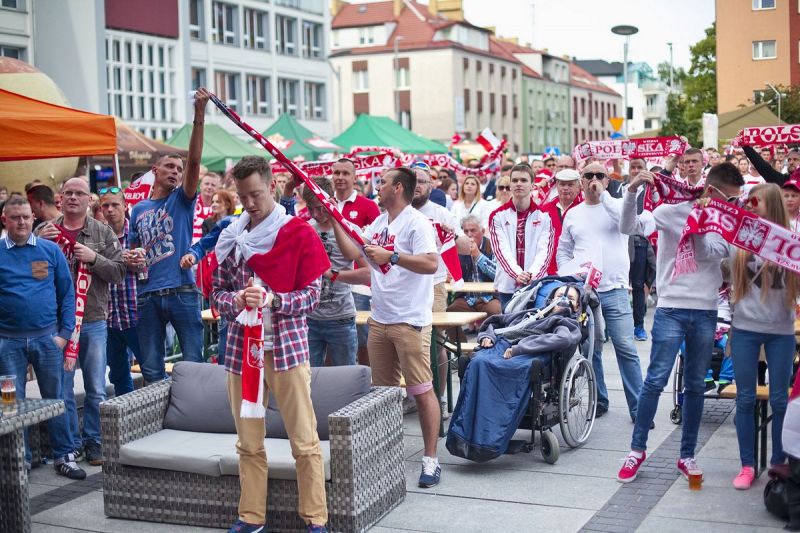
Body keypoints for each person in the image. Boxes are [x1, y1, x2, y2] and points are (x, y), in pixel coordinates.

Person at [211, 156, 330, 533]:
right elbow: (215, 294)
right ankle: (251, 517)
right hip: (241, 353)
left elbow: (313, 296)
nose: (249, 203)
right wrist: (235, 301)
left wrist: (274, 300)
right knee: (248, 443)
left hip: (287, 350)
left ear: (273, 187)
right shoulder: (231, 235)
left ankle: (315, 518)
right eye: (242, 196)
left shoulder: (298, 232)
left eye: (256, 194)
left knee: (305, 440)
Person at [616, 160, 744, 483]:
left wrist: (702, 223)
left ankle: (687, 454)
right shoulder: (670, 211)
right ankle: (636, 450)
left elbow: (718, 252)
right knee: (655, 380)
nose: (734, 204)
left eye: (736, 199)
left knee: (696, 385)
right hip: (671, 308)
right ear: (712, 190)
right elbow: (628, 227)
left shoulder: (725, 220)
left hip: (705, 310)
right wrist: (632, 191)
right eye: (730, 198)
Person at [334, 166, 441, 488]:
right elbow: (353, 252)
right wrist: (335, 219)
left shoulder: (417, 222)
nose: (376, 187)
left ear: (397, 188)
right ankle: (387, 455)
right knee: (383, 394)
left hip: (410, 320)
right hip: (380, 319)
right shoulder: (381, 223)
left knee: (420, 390)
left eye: (382, 182)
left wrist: (392, 256)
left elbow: (431, 264)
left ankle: (431, 459)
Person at [36, 177, 126, 466]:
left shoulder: (102, 232)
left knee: (96, 387)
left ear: (89, 200)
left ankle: (94, 442)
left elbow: (119, 273)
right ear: (60, 199)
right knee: (61, 389)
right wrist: (42, 247)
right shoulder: (44, 232)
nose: (73, 197)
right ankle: (69, 445)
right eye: (69, 193)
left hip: (92, 320)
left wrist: (94, 258)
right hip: (56, 323)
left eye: (80, 193)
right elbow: (33, 275)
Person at [0, 197, 85, 479]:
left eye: (26, 217)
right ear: (4, 220)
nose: (22, 222)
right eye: (15, 217)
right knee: (10, 404)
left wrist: (63, 335)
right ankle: (19, 461)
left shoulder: (49, 250)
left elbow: (67, 294)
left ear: (33, 217)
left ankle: (64, 456)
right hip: (8, 344)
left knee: (56, 398)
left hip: (47, 341)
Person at [128, 89, 210, 383]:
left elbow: (195, 162)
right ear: (155, 170)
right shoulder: (138, 209)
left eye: (179, 168)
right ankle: (159, 412)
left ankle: (192, 409)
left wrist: (199, 115)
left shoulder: (182, 200)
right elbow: (133, 251)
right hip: (148, 294)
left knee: (193, 365)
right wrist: (131, 257)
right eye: (169, 167)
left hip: (182, 291)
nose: (176, 172)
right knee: (151, 368)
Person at [557, 162, 645, 421]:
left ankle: (639, 409)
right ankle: (599, 401)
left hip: (615, 288)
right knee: (590, 349)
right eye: (589, 175)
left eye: (599, 175)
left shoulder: (617, 205)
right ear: (581, 181)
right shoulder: (573, 214)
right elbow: (564, 250)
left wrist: (603, 195)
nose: (593, 179)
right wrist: (569, 273)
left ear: (607, 180)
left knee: (625, 347)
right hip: (586, 290)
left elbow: (626, 222)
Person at [726, 183, 799, 490]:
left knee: (780, 400)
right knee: (745, 399)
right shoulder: (741, 239)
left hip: (781, 331)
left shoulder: (793, 241)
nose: (751, 206)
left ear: (772, 205)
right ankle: (747, 465)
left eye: (757, 202)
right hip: (745, 328)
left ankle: (778, 464)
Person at [303, 177, 359, 367]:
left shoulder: (349, 229)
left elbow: (367, 272)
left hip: (340, 317)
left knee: (345, 375)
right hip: (310, 317)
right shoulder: (306, 228)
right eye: (310, 208)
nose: (316, 214)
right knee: (308, 376)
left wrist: (334, 274)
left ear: (331, 201)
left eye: (320, 208)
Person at [329, 158, 380, 367]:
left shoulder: (368, 206)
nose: (340, 177)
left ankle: (366, 378)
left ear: (355, 177)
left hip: (359, 284)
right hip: (329, 281)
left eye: (345, 173)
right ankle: (332, 380)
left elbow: (377, 243)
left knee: (362, 337)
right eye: (337, 173)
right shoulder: (324, 203)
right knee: (329, 337)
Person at [488, 164, 554, 310]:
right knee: (509, 322)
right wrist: (517, 274)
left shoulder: (544, 216)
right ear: (510, 185)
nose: (519, 184)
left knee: (536, 322)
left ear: (532, 185)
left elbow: (545, 251)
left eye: (523, 180)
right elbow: (501, 250)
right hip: (508, 285)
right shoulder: (497, 216)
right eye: (515, 180)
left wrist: (532, 275)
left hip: (536, 284)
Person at [99, 187, 142, 397]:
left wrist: (138, 264)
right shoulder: (97, 237)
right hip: (108, 318)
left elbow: (153, 268)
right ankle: (127, 415)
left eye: (115, 204)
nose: (110, 209)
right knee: (118, 376)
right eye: (105, 205)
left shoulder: (137, 234)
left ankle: (157, 414)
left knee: (151, 370)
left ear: (125, 206)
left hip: (137, 314)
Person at [445, 214, 501, 342]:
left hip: (489, 298)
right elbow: (453, 274)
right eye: (466, 231)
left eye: (473, 230)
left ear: (482, 231)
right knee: (449, 314)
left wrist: (478, 255)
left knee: (497, 311)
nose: (469, 235)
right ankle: (461, 350)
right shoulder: (459, 248)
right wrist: (451, 276)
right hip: (467, 298)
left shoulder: (493, 246)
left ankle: (493, 347)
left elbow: (497, 275)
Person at [622, 158, 654, 341]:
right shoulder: (620, 188)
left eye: (639, 167)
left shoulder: (650, 190)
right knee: (619, 283)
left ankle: (638, 326)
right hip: (620, 240)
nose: (635, 170)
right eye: (632, 167)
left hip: (640, 242)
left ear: (645, 169)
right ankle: (617, 325)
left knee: (638, 285)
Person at [541, 169, 582, 275]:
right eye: (562, 184)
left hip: (578, 270)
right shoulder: (544, 210)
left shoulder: (585, 208)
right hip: (549, 270)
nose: (565, 188)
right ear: (557, 186)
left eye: (570, 185)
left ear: (578, 187)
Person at [193, 172, 221, 243]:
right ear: (200, 186)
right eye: (206, 184)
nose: (209, 187)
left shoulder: (221, 208)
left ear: (218, 188)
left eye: (213, 185)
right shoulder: (191, 203)